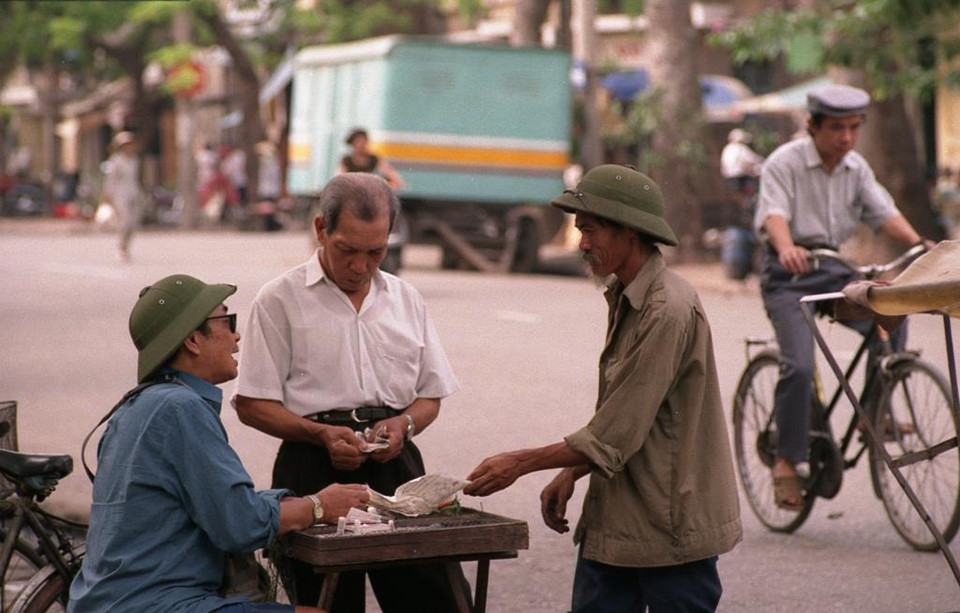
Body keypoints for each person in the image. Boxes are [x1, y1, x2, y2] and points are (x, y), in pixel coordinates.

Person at [465, 165, 742, 612]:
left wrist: (520, 463)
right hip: (617, 518)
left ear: (629, 232)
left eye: (590, 231)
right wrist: (572, 470)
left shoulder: (666, 308)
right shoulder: (627, 294)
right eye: (580, 231)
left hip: (668, 524)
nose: (583, 244)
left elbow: (617, 432)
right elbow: (624, 413)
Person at [69, 274, 369, 612]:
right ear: (193, 340)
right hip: (158, 603)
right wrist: (318, 506)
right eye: (227, 321)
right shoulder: (180, 409)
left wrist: (289, 502)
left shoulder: (135, 407)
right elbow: (239, 524)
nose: (237, 336)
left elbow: (217, 502)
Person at [233, 172, 465, 611]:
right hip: (310, 470)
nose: (360, 267)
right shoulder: (279, 299)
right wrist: (317, 434)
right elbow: (252, 404)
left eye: (375, 252)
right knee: (326, 604)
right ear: (321, 230)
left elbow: (431, 395)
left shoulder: (405, 298)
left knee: (431, 596)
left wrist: (404, 423)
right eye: (347, 251)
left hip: (397, 470)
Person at [753, 84, 930, 510]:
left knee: (892, 311)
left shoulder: (856, 168)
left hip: (833, 269)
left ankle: (876, 413)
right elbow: (773, 213)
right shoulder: (785, 162)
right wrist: (786, 247)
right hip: (788, 274)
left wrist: (922, 245)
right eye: (836, 128)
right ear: (812, 126)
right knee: (798, 365)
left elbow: (884, 214)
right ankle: (786, 463)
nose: (846, 137)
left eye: (853, 128)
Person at [100, 131, 143, 262]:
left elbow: (137, 178)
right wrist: (107, 194)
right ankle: (121, 248)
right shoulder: (116, 161)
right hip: (120, 194)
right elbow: (110, 179)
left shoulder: (135, 160)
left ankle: (127, 247)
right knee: (125, 221)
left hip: (134, 193)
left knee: (133, 223)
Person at [336, 128, 405, 190]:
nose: (361, 145)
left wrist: (387, 186)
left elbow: (394, 177)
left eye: (364, 141)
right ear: (352, 144)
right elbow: (338, 179)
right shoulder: (347, 160)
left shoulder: (374, 159)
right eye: (358, 142)